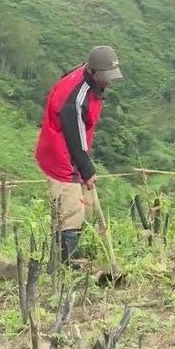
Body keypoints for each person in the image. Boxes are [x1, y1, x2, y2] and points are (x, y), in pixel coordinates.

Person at [34, 45, 123, 268]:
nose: (108, 82)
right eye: (105, 77)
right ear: (92, 72)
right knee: (70, 210)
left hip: (71, 151)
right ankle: (66, 266)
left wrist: (84, 166)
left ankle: (72, 257)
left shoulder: (88, 80)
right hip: (60, 155)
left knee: (84, 207)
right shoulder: (75, 99)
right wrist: (86, 168)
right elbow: (74, 137)